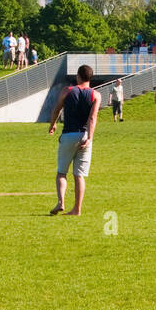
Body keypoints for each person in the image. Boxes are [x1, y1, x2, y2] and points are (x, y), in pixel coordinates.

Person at [47, 64, 101, 217]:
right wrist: (90, 137)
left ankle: (61, 202)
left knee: (61, 172)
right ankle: (77, 209)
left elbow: (56, 109)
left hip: (68, 135)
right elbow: (93, 117)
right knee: (79, 175)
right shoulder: (95, 95)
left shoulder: (68, 91)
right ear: (90, 78)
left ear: (78, 76)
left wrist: (52, 125)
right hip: (84, 136)